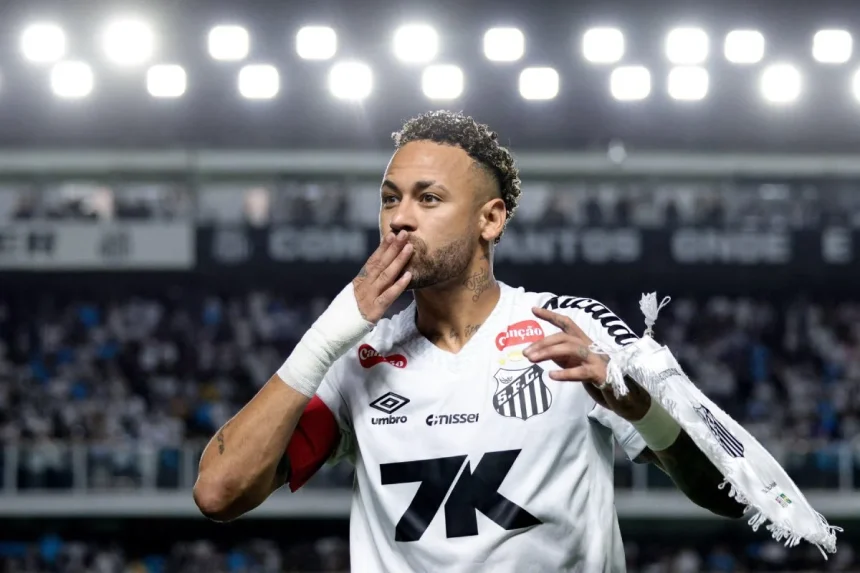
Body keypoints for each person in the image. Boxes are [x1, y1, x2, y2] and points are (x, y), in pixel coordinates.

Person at [193, 111, 745, 572]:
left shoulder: (572, 330)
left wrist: (645, 412)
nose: (400, 219)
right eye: (389, 199)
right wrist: (323, 341)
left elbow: (732, 494)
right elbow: (219, 493)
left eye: (428, 199)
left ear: (491, 219)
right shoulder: (357, 362)